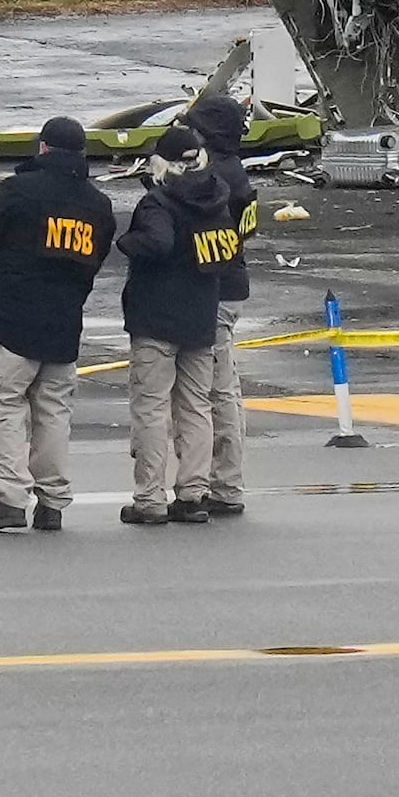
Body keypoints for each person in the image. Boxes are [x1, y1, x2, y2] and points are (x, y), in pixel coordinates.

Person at [0, 115, 117, 533]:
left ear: (43, 148)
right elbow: (95, 259)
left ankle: (10, 498)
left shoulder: (19, 191)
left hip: (12, 319)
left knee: (2, 404)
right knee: (53, 413)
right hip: (65, 321)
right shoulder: (97, 205)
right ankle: (52, 502)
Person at [117, 124, 231, 525]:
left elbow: (158, 243)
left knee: (151, 408)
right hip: (201, 316)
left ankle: (150, 498)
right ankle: (194, 493)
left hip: (157, 319)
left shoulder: (157, 204)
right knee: (196, 408)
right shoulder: (217, 198)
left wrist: (127, 243)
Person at [187, 91, 261, 515]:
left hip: (215, 290)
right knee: (221, 390)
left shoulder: (217, 179)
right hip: (232, 285)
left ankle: (224, 484)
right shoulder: (237, 174)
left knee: (215, 393)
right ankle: (222, 480)